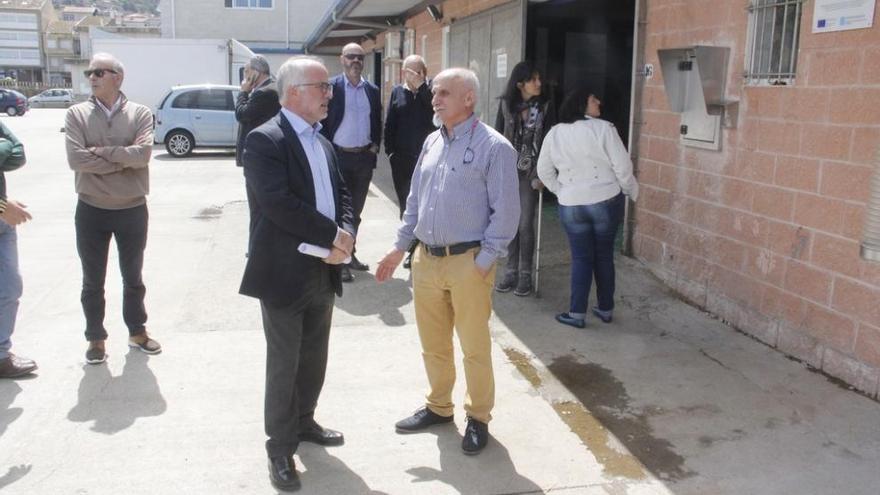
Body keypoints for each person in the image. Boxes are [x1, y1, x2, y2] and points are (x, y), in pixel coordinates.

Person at [376, 68, 519, 456]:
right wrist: (400, 247)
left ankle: (478, 417)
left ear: (468, 98)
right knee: (433, 344)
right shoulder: (431, 142)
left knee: (474, 346)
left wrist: (485, 260)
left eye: (443, 93)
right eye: (435, 93)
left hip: (468, 262)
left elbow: (506, 212)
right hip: (426, 260)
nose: (435, 99)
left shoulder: (495, 147)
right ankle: (439, 406)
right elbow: (415, 202)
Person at [239, 56, 355, 492]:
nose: (330, 93)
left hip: (323, 270)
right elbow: (279, 204)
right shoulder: (264, 140)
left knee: (313, 356)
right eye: (322, 86)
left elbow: (342, 192)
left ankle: (305, 422)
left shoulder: (322, 141)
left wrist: (348, 230)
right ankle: (280, 448)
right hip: (285, 271)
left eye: (328, 87)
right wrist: (335, 237)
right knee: (284, 363)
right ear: (292, 92)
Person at [65, 53, 160, 364]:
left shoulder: (141, 113)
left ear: (118, 77)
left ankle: (137, 332)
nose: (91, 77)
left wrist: (102, 154)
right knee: (92, 280)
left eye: (99, 72)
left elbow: (142, 155)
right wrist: (122, 160)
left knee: (132, 276)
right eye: (90, 73)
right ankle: (96, 339)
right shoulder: (77, 114)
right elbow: (77, 160)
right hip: (91, 209)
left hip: (132, 209)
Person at [536, 88, 639, 329]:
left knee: (581, 258)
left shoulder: (555, 133)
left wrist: (561, 191)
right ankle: (605, 309)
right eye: (594, 99)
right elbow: (623, 167)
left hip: (571, 203)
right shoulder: (605, 129)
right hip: (605, 199)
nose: (599, 102)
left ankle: (577, 313)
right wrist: (629, 190)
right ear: (582, 104)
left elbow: (544, 170)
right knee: (604, 256)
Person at [493, 61, 556, 297]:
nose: (538, 83)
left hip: (531, 173)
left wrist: (543, 173)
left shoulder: (546, 107)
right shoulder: (506, 105)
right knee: (510, 222)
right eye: (533, 79)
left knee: (525, 223)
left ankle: (525, 272)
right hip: (509, 171)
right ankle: (510, 270)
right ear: (520, 83)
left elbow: (551, 141)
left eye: (539, 79)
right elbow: (497, 138)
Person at [321, 42, 382, 283]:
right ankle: (340, 260)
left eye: (359, 57)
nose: (355, 61)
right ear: (342, 59)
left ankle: (350, 254)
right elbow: (323, 119)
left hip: (363, 158)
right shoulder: (333, 87)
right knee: (338, 211)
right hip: (339, 157)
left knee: (356, 211)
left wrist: (375, 144)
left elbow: (377, 119)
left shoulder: (372, 90)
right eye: (351, 57)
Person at [0, 121, 37, 378]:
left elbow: (17, 153)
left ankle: (1, 355)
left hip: (3, 222)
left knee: (10, 288)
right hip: (4, 212)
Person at [235, 55, 282, 239]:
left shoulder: (266, 92)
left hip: (259, 160)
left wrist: (243, 92)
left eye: (246, 72)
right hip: (260, 157)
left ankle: (256, 247)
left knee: (257, 207)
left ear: (256, 72)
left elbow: (242, 114)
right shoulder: (265, 89)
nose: (245, 77)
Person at [384, 54, 434, 218]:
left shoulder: (432, 90)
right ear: (404, 73)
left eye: (419, 72)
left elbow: (437, 111)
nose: (415, 76)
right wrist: (390, 152)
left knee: (426, 203)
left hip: (428, 157)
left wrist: (421, 88)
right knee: (406, 205)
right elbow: (390, 123)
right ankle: (407, 241)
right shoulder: (398, 91)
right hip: (402, 160)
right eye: (411, 72)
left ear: (425, 72)